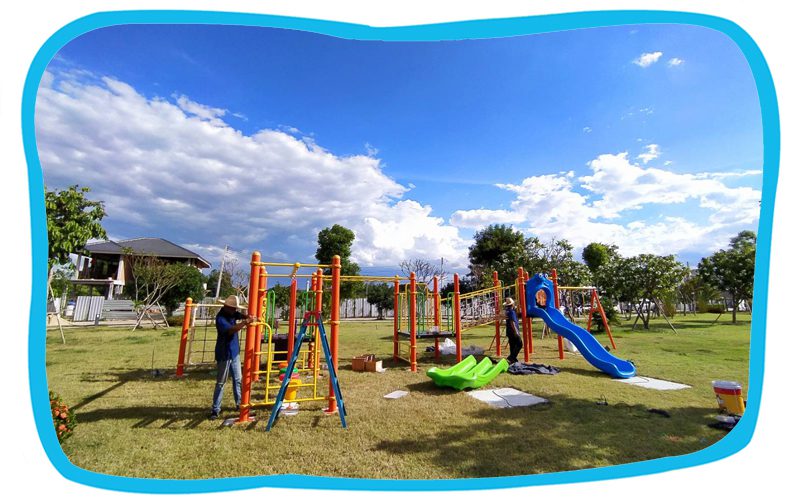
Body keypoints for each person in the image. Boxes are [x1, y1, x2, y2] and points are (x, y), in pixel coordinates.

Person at [210, 295, 254, 420]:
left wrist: (247, 317)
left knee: (238, 380)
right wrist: (245, 322)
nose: (235, 310)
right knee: (221, 382)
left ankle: (239, 404)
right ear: (227, 307)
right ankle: (215, 409)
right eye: (233, 308)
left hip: (234, 352)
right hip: (224, 354)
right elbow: (231, 330)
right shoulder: (220, 318)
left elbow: (239, 315)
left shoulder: (232, 313)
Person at [504, 297, 523, 364]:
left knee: (512, 345)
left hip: (509, 331)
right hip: (512, 331)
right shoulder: (511, 312)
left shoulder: (508, 311)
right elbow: (512, 322)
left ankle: (513, 359)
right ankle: (511, 357)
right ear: (512, 304)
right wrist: (516, 331)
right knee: (519, 344)